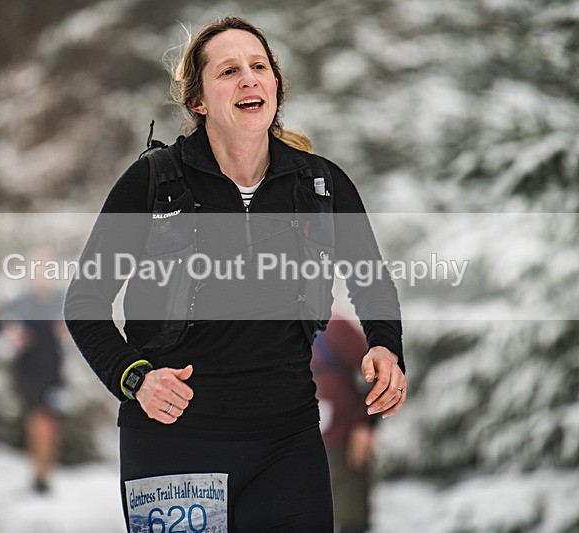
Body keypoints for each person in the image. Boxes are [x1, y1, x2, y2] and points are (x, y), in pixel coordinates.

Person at [64, 16, 407, 532]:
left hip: (287, 444)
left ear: (274, 87)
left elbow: (372, 283)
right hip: (172, 442)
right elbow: (85, 303)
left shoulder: (320, 185)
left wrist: (385, 345)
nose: (248, 78)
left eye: (258, 66)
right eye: (228, 71)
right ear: (198, 101)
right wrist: (135, 379)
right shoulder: (153, 183)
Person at [2, 250, 65, 495]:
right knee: (36, 421)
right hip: (26, 370)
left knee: (49, 423)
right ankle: (39, 473)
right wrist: (12, 334)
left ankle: (44, 471)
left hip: (53, 370)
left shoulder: (61, 300)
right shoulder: (20, 301)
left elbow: (77, 327)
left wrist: (67, 331)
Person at [312, 312, 381, 533]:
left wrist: (366, 426)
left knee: (352, 518)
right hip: (296, 449)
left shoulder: (332, 327)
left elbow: (377, 373)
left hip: (342, 446)